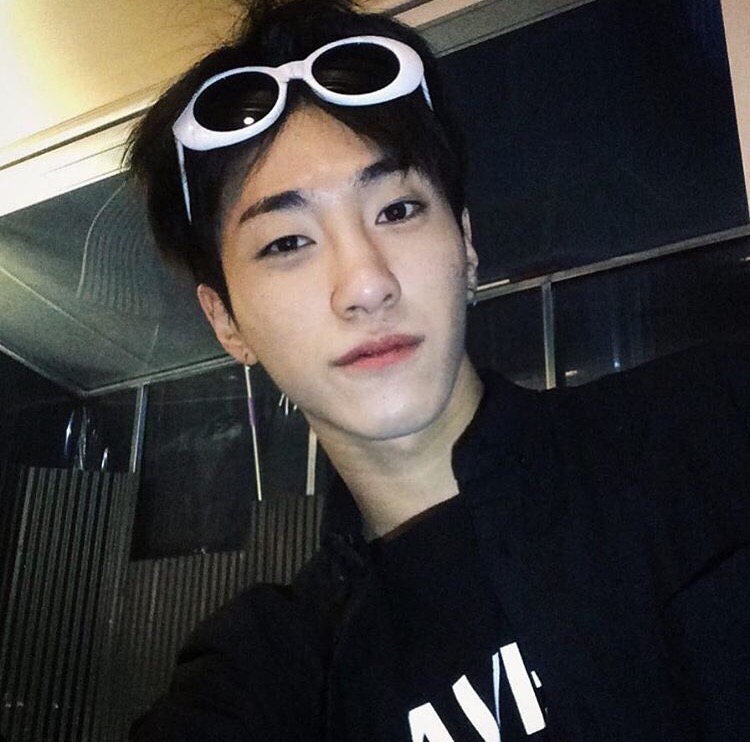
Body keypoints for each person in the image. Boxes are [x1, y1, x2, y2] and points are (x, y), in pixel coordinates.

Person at [127, 0, 750, 739]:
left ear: (467, 244)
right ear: (226, 320)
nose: (366, 285)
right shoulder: (274, 673)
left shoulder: (712, 427)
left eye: (397, 211)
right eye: (287, 243)